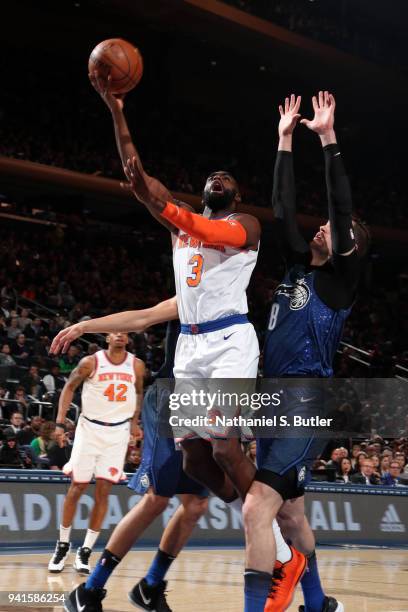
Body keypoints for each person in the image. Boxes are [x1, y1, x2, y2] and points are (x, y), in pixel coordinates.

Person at [86, 70, 261, 504]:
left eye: (228, 179)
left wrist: (161, 204)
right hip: (190, 347)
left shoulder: (245, 225)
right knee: (195, 462)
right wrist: (117, 112)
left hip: (229, 340)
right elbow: (139, 177)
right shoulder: (181, 223)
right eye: (213, 176)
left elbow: (208, 231)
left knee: (223, 446)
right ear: (202, 191)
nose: (219, 178)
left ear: (235, 198)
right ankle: (255, 516)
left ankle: (271, 527)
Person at [243, 92, 369, 612]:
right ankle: (317, 604)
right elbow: (283, 208)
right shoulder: (298, 265)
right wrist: (284, 140)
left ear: (350, 246)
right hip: (270, 400)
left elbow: (341, 207)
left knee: (255, 510)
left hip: (305, 401)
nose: (324, 227)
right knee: (290, 515)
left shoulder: (342, 281)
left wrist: (328, 139)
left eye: (337, 231)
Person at [64, 321, 209, 612]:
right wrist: (84, 327)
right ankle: (90, 589)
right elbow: (141, 317)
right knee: (157, 498)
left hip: (203, 401)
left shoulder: (235, 301)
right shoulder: (188, 292)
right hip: (171, 396)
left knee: (196, 504)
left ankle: (150, 586)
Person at [48, 332, 145, 575]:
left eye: (125, 332)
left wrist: (134, 421)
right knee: (77, 487)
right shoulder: (91, 362)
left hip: (118, 433)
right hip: (89, 428)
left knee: (104, 491)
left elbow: (139, 392)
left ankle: (86, 551)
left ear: (128, 339)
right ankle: (62, 544)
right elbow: (69, 388)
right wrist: (60, 423)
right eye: (115, 331)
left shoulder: (137, 365)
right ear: (107, 337)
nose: (120, 334)